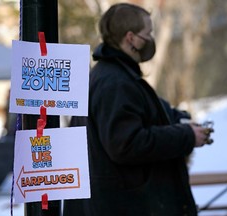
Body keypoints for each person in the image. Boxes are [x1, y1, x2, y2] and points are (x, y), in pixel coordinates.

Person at [63, 3, 214, 216]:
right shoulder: (114, 82)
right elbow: (127, 144)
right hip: (125, 206)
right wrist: (185, 136)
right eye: (148, 33)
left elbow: (148, 110)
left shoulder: (115, 75)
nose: (151, 39)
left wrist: (180, 120)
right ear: (131, 38)